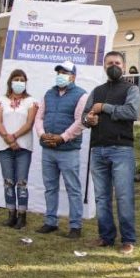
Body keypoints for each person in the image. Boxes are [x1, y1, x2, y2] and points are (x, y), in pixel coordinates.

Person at [83, 51, 140, 254]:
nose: (113, 66)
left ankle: (128, 239)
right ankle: (106, 236)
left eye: (117, 63)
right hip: (97, 149)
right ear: (104, 67)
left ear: (123, 67)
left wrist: (104, 108)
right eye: (109, 63)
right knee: (101, 197)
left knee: (124, 196)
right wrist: (88, 119)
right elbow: (84, 116)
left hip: (121, 149)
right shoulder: (96, 90)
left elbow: (132, 112)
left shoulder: (131, 89)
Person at [36, 61, 89, 238]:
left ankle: (75, 226)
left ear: (73, 76)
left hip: (68, 150)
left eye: (65, 72)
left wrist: (63, 137)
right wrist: (43, 135)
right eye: (59, 72)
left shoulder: (81, 95)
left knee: (73, 188)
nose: (60, 74)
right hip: (48, 149)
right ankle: (50, 222)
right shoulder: (48, 94)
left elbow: (81, 121)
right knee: (50, 187)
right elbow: (39, 117)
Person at [0, 69, 38, 230]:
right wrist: (8, 139)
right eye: (16, 79)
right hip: (4, 147)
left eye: (22, 80)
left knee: (21, 182)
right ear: (10, 82)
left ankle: (22, 216)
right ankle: (11, 214)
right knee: (8, 181)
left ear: (25, 83)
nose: (19, 82)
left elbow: (29, 123)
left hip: (24, 147)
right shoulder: (1, 100)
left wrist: (15, 136)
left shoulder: (31, 101)